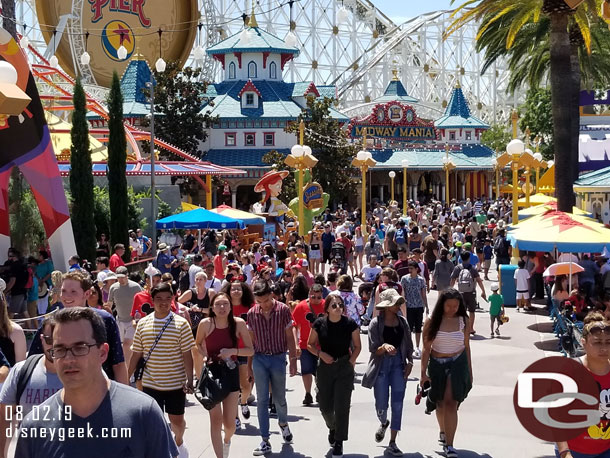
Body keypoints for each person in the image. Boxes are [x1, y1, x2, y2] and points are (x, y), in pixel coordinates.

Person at [15, 307, 178, 458]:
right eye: (60, 350)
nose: (68, 359)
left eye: (80, 348)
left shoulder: (144, 413)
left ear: (103, 353)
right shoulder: (34, 427)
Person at [129, 282, 194, 458]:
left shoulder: (181, 324)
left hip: (175, 384)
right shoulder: (142, 324)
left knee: (177, 423)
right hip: (151, 384)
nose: (163, 302)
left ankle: (179, 443)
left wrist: (190, 379)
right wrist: (126, 379)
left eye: (167, 298)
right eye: (159, 298)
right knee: (153, 424)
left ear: (172, 299)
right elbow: (136, 354)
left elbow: (187, 354)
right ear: (152, 300)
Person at [28, 272, 128, 385]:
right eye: (63, 291)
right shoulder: (50, 323)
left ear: (87, 293)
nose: (66, 296)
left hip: (99, 388)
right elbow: (34, 360)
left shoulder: (105, 320)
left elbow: (118, 362)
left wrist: (124, 393)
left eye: (73, 292)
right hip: (60, 389)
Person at [196, 292, 254, 458]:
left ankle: (227, 440)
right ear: (212, 308)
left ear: (230, 306)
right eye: (218, 304)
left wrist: (232, 351)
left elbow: (250, 350)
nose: (222, 307)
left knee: (230, 425)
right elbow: (198, 343)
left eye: (225, 304)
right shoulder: (205, 323)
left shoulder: (238, 323)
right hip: (211, 373)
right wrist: (205, 355)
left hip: (230, 371)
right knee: (215, 420)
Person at [307, 293, 361, 458]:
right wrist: (321, 354)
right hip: (325, 367)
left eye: (340, 305)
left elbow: (358, 346)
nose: (338, 308)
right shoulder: (319, 323)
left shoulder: (349, 324)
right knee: (325, 406)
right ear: (327, 309)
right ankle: (332, 427)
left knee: (342, 406)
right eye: (334, 305)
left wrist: (350, 363)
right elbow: (309, 344)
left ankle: (339, 441)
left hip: (344, 366)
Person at [420, 289, 473, 458]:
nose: (452, 309)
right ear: (441, 305)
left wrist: (470, 371)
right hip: (437, 364)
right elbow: (426, 349)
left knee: (451, 402)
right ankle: (443, 430)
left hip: (458, 362)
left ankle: (450, 445)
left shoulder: (463, 320)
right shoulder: (431, 322)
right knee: (440, 402)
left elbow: (467, 345)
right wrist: (423, 374)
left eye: (456, 306)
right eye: (448, 306)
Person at [248, 279, 297, 456]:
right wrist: (249, 367)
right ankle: (264, 439)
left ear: (271, 295)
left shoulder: (283, 310)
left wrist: (293, 360)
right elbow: (251, 342)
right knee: (261, 400)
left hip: (277, 357)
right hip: (259, 359)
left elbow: (290, 336)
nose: (264, 305)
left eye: (266, 301)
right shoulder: (252, 313)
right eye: (259, 302)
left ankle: (283, 423)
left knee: (279, 397)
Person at [362, 289, 413, 456]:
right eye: (395, 303)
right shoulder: (376, 323)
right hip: (381, 365)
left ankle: (393, 441)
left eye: (399, 303)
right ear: (387, 306)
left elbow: (409, 344)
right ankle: (383, 422)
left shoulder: (403, 322)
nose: (399, 306)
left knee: (398, 403)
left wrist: (410, 361)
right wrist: (383, 347)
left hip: (399, 363)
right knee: (381, 404)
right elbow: (372, 348)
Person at [0, 316, 62, 454]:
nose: (55, 346)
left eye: (61, 340)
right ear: (41, 339)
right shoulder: (21, 371)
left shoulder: (86, 373)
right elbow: (4, 418)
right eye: (49, 339)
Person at [555, 311, 610, 458]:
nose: (604, 348)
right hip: (575, 451)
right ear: (583, 342)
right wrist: (565, 452)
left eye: (608, 342)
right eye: (597, 342)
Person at [292, 284, 325, 406]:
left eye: (318, 297)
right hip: (305, 345)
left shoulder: (326, 305)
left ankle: (320, 391)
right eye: (313, 297)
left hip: (322, 345)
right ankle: (307, 393)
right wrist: (296, 344)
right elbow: (294, 326)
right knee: (306, 371)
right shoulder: (301, 306)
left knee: (320, 371)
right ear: (309, 294)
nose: (316, 300)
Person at [107, 266, 142, 362]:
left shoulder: (136, 287)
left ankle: (127, 369)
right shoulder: (113, 288)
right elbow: (109, 304)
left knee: (126, 345)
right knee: (123, 345)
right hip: (120, 320)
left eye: (122, 277)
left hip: (132, 321)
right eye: (118, 277)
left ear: (127, 276)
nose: (120, 279)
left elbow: (142, 302)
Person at [450, 251, 487, 335]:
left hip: (461, 292)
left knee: (462, 312)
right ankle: (471, 328)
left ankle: (463, 328)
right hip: (471, 292)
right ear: (469, 258)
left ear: (461, 258)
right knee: (472, 311)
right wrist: (483, 291)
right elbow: (479, 280)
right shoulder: (472, 268)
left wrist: (450, 290)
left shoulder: (458, 268)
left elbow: (452, 280)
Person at [400, 261, 428, 358]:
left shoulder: (421, 280)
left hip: (419, 306)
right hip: (409, 306)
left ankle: (417, 346)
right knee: (409, 328)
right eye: (409, 268)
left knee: (418, 328)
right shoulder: (404, 279)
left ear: (416, 269)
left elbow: (423, 294)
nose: (410, 270)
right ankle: (409, 346)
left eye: (412, 268)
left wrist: (426, 306)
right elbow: (402, 293)